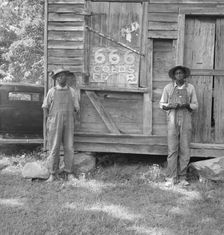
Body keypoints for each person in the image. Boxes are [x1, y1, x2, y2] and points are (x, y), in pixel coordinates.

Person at [160, 65, 198, 187]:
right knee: (172, 148)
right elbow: (162, 104)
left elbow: (195, 105)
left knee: (185, 149)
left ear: (185, 75)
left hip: (186, 120)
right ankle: (171, 177)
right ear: (174, 76)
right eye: (177, 73)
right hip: (172, 119)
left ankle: (182, 177)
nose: (179, 75)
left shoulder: (190, 87)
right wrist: (171, 105)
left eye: (181, 73)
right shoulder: (168, 88)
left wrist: (187, 105)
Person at [42, 69, 80, 182]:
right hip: (54, 123)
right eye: (58, 77)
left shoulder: (72, 91)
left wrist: (76, 121)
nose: (60, 78)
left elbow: (77, 108)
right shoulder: (51, 91)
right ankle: (53, 174)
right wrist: (47, 121)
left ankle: (69, 173)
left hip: (69, 122)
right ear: (55, 79)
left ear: (66, 78)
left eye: (62, 76)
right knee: (54, 148)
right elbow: (45, 107)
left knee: (69, 147)